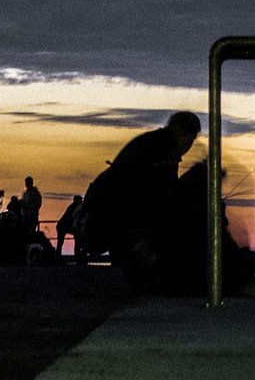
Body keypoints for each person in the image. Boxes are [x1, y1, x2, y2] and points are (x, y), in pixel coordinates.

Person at [79, 111, 201, 288]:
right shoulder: (164, 150)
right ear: (182, 133)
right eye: (190, 139)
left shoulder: (151, 141)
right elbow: (167, 193)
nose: (189, 146)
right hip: (119, 214)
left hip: (108, 207)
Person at [56, 194, 82, 261]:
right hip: (65, 225)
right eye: (80, 200)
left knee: (60, 243)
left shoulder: (72, 206)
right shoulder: (75, 207)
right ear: (76, 200)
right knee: (77, 238)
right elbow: (72, 217)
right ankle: (77, 256)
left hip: (62, 225)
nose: (81, 201)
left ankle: (58, 257)